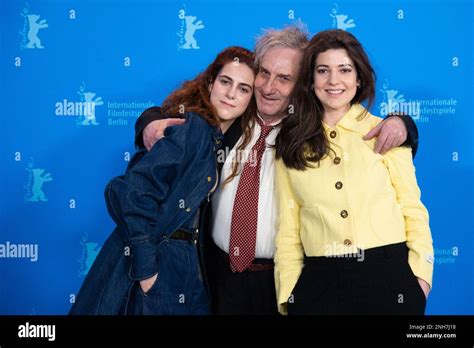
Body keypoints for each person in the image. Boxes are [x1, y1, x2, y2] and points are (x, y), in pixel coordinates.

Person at [135, 25, 419, 315]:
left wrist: (402, 123)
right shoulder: (230, 114)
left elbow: (358, 129)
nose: (270, 88)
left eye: (285, 78)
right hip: (218, 276)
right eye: (265, 73)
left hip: (282, 280)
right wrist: (149, 122)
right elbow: (181, 107)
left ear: (303, 84)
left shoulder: (310, 131)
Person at [69, 46, 257, 315]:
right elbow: (130, 193)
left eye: (243, 88)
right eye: (226, 82)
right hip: (160, 259)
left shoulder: (223, 136)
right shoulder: (193, 129)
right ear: (210, 82)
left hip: (192, 266)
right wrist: (147, 270)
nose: (231, 94)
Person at [274, 29, 433, 315]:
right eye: (323, 71)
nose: (334, 81)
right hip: (319, 283)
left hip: (389, 279)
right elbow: (288, 228)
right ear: (311, 80)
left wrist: (421, 279)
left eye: (344, 70)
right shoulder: (291, 142)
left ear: (358, 78)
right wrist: (289, 295)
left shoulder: (388, 132)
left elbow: (413, 210)